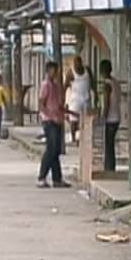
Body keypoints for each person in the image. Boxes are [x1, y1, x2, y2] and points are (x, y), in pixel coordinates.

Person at [37, 61, 71, 189]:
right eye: (54, 70)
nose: (56, 73)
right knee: (51, 149)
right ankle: (42, 176)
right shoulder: (45, 85)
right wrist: (48, 115)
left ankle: (57, 179)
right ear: (48, 71)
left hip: (57, 119)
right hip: (49, 121)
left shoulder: (56, 86)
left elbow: (57, 104)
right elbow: (41, 103)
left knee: (56, 150)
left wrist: (64, 111)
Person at [65, 55, 94, 144]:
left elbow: (93, 82)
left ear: (81, 63)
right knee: (73, 120)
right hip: (75, 99)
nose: (77, 65)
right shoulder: (71, 72)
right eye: (75, 64)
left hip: (86, 98)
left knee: (86, 119)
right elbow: (65, 86)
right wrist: (64, 101)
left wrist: (95, 95)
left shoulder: (87, 70)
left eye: (78, 63)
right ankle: (74, 137)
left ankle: (84, 136)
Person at [99, 59, 121, 171]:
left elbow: (106, 103)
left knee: (108, 145)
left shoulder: (106, 85)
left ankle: (109, 168)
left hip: (110, 118)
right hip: (117, 116)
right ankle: (111, 167)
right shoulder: (116, 82)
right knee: (110, 144)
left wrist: (103, 117)